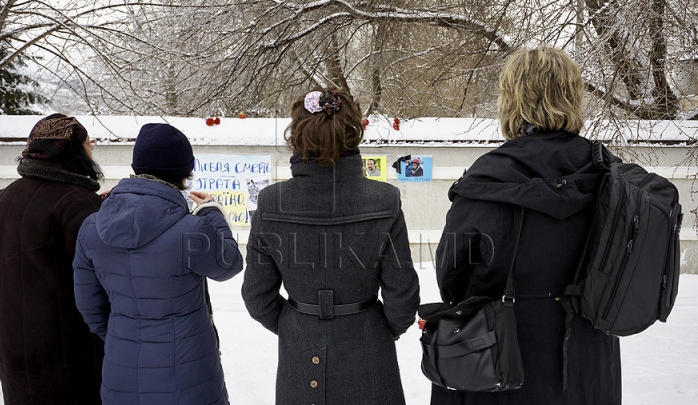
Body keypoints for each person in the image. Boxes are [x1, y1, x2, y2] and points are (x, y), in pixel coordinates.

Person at [431, 47, 621, 405]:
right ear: (572, 96)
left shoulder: (487, 179)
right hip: (588, 363)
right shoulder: (609, 177)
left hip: (500, 360)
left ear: (511, 99)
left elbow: (453, 277)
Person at [242, 88, 420, 405]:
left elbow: (257, 296)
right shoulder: (384, 200)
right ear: (353, 133)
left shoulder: (271, 203)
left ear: (297, 136)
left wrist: (295, 325)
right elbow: (402, 293)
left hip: (300, 354)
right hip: (369, 351)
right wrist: (379, 331)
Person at [72, 123, 243, 405]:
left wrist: (122, 333)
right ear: (183, 174)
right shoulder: (190, 229)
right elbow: (229, 264)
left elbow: (89, 305)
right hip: (189, 373)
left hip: (121, 370)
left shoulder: (92, 226)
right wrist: (212, 212)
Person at [0, 114, 105, 404]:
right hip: (63, 352)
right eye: (88, 144)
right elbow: (105, 281)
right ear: (71, 152)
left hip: (8, 342)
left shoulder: (0, 198)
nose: (92, 150)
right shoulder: (78, 203)